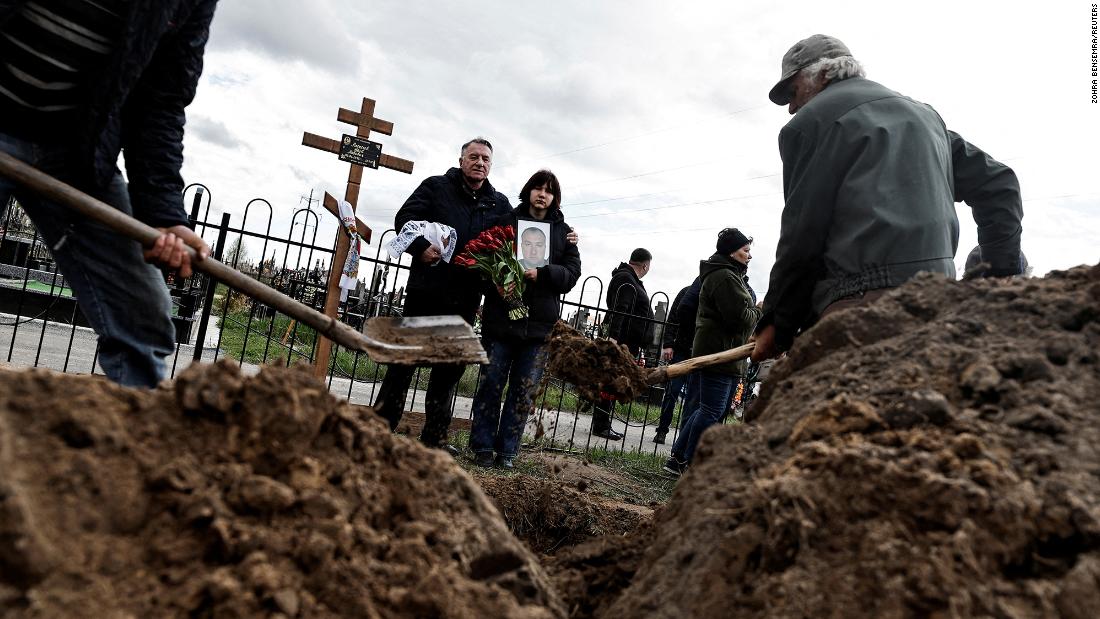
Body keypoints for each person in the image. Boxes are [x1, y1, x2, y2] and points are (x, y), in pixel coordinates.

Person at [752, 34, 1024, 363]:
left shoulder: (810, 124)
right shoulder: (925, 117)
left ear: (823, 75)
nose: (792, 108)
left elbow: (802, 234)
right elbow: (1000, 184)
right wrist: (999, 276)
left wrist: (777, 325)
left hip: (858, 310)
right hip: (938, 305)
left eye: (793, 93)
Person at [0, 1, 216, 388]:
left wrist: (164, 214)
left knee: (143, 316)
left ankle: (133, 437)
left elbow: (160, 100)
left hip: (74, 148)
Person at [371, 137, 512, 454]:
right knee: (402, 363)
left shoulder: (498, 204)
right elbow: (404, 219)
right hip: (426, 291)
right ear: (461, 159)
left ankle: (434, 438)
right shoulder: (436, 187)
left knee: (448, 370)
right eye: (473, 156)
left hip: (465, 299)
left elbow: (513, 243)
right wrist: (420, 248)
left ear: (491, 166)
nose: (479, 162)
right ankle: (379, 428)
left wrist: (566, 235)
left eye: (485, 159)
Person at [470, 169, 581, 468]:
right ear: (528, 191)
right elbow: (485, 259)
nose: (542, 194)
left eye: (549, 190)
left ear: (555, 198)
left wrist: (542, 273)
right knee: (491, 383)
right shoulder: (507, 221)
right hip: (502, 320)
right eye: (537, 188)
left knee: (523, 390)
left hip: (539, 328)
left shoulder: (563, 233)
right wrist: (497, 277)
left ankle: (507, 452)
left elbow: (572, 273)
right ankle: (481, 447)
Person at [665, 228, 761, 476]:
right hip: (719, 353)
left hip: (725, 353)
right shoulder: (724, 277)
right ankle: (689, 461)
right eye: (745, 250)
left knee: (707, 409)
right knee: (711, 410)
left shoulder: (731, 275)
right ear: (732, 251)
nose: (749, 256)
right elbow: (741, 318)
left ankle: (677, 458)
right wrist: (760, 309)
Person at [595, 247, 655, 441]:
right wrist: (613, 338)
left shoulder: (629, 278)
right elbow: (620, 310)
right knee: (611, 383)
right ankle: (601, 425)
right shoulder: (626, 278)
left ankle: (603, 422)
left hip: (627, 342)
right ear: (645, 265)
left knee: (612, 382)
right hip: (621, 342)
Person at [653, 276, 701, 444]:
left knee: (693, 399)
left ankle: (683, 437)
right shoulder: (687, 292)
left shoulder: (714, 294)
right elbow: (673, 318)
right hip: (681, 349)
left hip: (700, 352)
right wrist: (668, 344)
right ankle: (662, 430)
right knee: (672, 391)